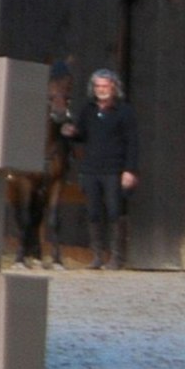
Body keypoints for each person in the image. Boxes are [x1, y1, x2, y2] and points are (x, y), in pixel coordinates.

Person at [62, 67, 139, 269]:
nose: (101, 89)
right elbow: (82, 135)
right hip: (91, 169)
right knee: (93, 212)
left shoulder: (124, 112)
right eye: (98, 86)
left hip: (114, 169)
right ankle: (97, 256)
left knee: (114, 212)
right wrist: (71, 131)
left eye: (105, 86)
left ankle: (116, 258)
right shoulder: (88, 110)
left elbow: (133, 143)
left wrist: (129, 170)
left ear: (114, 87)